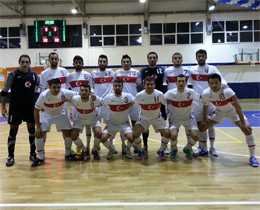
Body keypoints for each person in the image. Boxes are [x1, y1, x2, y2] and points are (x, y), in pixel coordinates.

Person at [199, 73, 259, 167]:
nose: (214, 85)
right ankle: (204, 150)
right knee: (202, 127)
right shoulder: (206, 93)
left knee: (247, 130)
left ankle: (252, 157)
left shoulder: (228, 91)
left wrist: (243, 123)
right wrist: (204, 119)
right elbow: (205, 106)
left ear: (220, 82)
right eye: (211, 83)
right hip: (218, 112)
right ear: (208, 84)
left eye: (216, 83)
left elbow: (238, 108)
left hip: (233, 112)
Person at [32, 79, 85, 167]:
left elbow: (78, 94)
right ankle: (41, 157)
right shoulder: (44, 95)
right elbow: (36, 110)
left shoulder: (64, 92)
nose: (56, 89)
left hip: (60, 115)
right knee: (39, 134)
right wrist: (37, 126)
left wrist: (90, 94)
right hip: (46, 115)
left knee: (68, 133)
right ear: (49, 87)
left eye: (58, 87)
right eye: (54, 87)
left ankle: (68, 154)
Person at [1, 54, 38, 167]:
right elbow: (4, 91)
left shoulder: (34, 75)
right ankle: (10, 156)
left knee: (32, 130)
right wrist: (3, 107)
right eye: (23, 62)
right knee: (13, 131)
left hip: (30, 107)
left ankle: (33, 154)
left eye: (27, 62)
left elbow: (39, 89)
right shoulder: (13, 75)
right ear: (19, 62)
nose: (25, 64)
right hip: (16, 107)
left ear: (30, 63)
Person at [190, 49, 227, 157]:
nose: (201, 58)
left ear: (206, 57)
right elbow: (187, 82)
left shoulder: (212, 69)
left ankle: (212, 147)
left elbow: (222, 80)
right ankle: (203, 148)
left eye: (203, 56)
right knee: (201, 125)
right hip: (198, 103)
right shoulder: (192, 70)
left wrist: (225, 86)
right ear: (196, 58)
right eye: (199, 56)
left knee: (210, 125)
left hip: (211, 102)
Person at [133, 76, 170, 161]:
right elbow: (134, 105)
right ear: (144, 85)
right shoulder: (139, 95)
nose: (149, 86)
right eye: (147, 84)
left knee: (167, 133)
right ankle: (140, 150)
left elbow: (165, 103)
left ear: (154, 85)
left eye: (151, 84)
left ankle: (161, 150)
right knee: (135, 134)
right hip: (144, 118)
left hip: (157, 118)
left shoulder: (159, 94)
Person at [163, 52, 193, 154]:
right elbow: (165, 84)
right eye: (175, 58)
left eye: (179, 58)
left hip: (185, 101)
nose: (177, 60)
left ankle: (189, 146)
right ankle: (172, 146)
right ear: (172, 60)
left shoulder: (188, 71)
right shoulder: (167, 71)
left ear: (182, 60)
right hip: (172, 103)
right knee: (172, 127)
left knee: (187, 126)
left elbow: (191, 84)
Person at [165, 74, 199, 160]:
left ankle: (187, 148)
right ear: (175, 83)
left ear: (186, 82)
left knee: (196, 136)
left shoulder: (191, 92)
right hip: (175, 119)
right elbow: (162, 100)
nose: (181, 83)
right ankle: (174, 149)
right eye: (179, 81)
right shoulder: (170, 93)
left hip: (188, 119)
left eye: (183, 81)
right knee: (173, 135)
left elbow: (201, 97)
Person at [114, 54, 142, 154]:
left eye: (128, 61)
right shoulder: (117, 73)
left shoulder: (136, 72)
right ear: (121, 63)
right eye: (124, 62)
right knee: (123, 123)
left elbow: (140, 85)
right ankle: (123, 144)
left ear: (131, 62)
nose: (126, 63)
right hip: (122, 102)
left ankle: (133, 143)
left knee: (135, 123)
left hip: (134, 102)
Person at [101, 80, 135, 160]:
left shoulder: (128, 96)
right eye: (115, 86)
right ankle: (111, 149)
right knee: (103, 138)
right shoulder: (108, 97)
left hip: (124, 124)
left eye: (119, 86)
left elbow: (136, 102)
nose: (117, 87)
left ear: (122, 87)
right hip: (112, 124)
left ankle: (127, 149)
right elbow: (100, 103)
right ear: (112, 87)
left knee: (131, 138)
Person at [140, 51, 167, 154]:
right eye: (150, 57)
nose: (152, 59)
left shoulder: (161, 70)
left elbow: (166, 82)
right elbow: (142, 84)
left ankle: (164, 146)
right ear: (147, 59)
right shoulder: (143, 70)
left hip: (159, 101)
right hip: (147, 101)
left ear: (157, 59)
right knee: (145, 125)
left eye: (154, 57)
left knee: (162, 125)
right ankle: (145, 146)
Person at [67, 55, 93, 155]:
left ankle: (88, 145)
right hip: (75, 106)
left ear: (83, 64)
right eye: (76, 62)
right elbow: (68, 91)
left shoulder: (88, 75)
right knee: (76, 126)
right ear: (73, 64)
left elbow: (91, 89)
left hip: (86, 103)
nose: (78, 64)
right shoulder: (70, 76)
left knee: (88, 125)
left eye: (80, 62)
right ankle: (79, 146)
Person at [70, 84, 102, 160]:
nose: (84, 92)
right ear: (79, 92)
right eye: (82, 90)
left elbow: (103, 102)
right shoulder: (74, 99)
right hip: (80, 119)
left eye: (86, 90)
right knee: (73, 135)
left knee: (98, 133)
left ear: (90, 92)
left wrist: (96, 97)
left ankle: (94, 150)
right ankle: (84, 150)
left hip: (93, 119)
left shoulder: (95, 99)